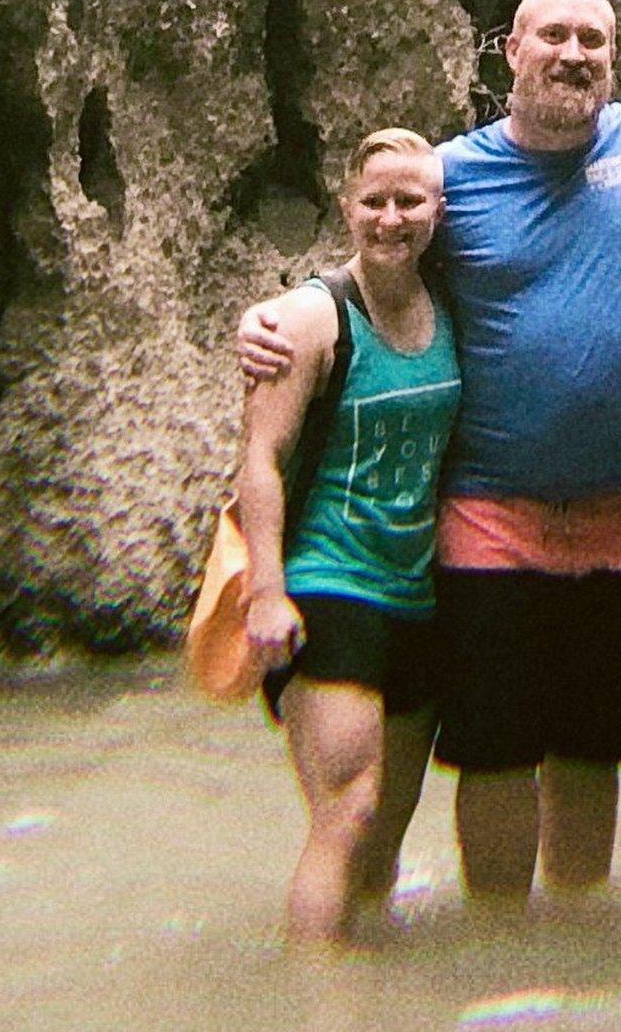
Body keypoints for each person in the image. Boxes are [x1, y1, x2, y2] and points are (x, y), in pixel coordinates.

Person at [238, 0, 621, 902]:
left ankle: (569, 948)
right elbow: (383, 241)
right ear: (512, 53)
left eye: (593, 40)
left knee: (590, 751)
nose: (573, 54)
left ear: (616, 58)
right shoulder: (455, 175)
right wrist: (283, 311)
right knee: (493, 750)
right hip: (490, 512)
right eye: (553, 37)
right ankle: (496, 948)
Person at [235, 128, 460, 943]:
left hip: (416, 593)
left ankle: (366, 996)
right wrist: (267, 591)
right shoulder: (309, 317)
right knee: (346, 810)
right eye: (375, 201)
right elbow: (261, 455)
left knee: (385, 836)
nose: (392, 218)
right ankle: (318, 1007)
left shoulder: (448, 305)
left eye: (410, 201)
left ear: (438, 209)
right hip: (329, 583)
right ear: (347, 206)